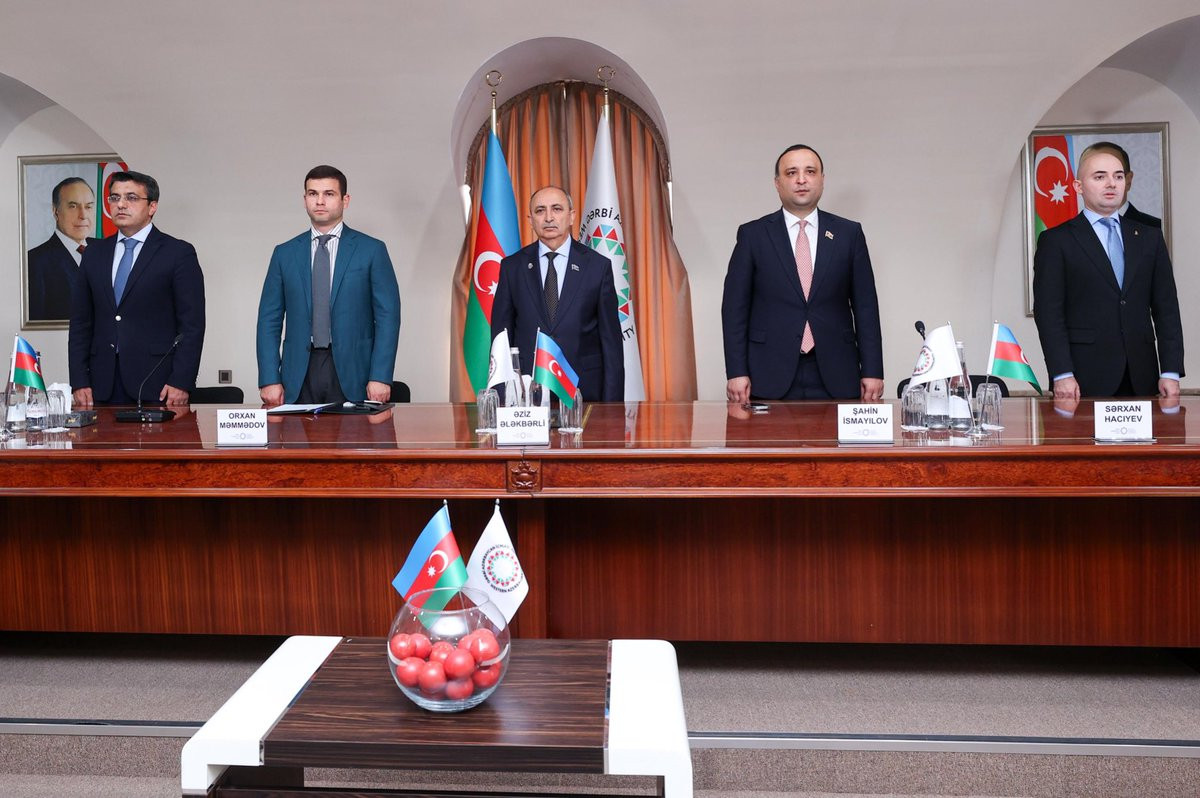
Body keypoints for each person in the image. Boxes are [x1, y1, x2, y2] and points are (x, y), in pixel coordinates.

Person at [722, 144, 884, 403]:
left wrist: (873, 370)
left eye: (810, 171)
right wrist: (736, 371)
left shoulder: (849, 234)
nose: (801, 179)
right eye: (791, 173)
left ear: (822, 180)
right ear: (777, 183)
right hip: (768, 370)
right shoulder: (753, 235)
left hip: (836, 370)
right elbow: (734, 309)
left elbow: (866, 307)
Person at [1033, 143, 1183, 399]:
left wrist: (1170, 371)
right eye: (1100, 177)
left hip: (1142, 374)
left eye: (1118, 176)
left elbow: (1166, 308)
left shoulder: (1150, 238)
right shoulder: (1056, 241)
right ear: (1078, 186)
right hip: (1082, 377)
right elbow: (1049, 314)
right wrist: (1062, 373)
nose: (1111, 184)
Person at [256, 165, 401, 405]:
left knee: (354, 431)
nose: (320, 201)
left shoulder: (372, 250)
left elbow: (388, 318)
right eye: (313, 193)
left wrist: (380, 376)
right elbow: (268, 320)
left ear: (345, 200)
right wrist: (269, 378)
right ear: (304, 200)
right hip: (298, 373)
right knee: (296, 432)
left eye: (329, 194)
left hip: (355, 373)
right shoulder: (284, 254)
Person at [69, 170, 205, 407]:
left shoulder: (177, 253)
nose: (121, 204)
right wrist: (79, 381)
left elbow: (192, 326)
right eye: (114, 198)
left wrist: (181, 381)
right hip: (101, 383)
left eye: (131, 198)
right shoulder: (94, 253)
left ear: (152, 206)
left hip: (158, 383)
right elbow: (81, 322)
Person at [490, 185, 624, 402]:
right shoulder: (512, 267)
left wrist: (612, 408)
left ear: (571, 216)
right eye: (540, 210)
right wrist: (503, 398)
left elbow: (612, 345)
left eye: (557, 209)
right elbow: (500, 340)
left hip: (584, 392)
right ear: (530, 220)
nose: (549, 217)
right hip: (527, 394)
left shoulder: (597, 267)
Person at [27, 177, 95, 321]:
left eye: (88, 207)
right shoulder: (34, 262)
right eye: (73, 206)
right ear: (56, 211)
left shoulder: (108, 250)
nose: (83, 215)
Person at [1096, 140, 1163, 229]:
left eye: (1116, 176)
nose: (1108, 184)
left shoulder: (1157, 227)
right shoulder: (1076, 229)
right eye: (1099, 177)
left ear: (1128, 180)